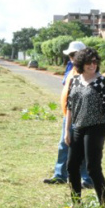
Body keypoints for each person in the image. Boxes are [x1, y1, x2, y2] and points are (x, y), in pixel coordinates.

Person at [65, 47, 105, 208]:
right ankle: (76, 203)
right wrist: (67, 131)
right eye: (89, 62)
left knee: (93, 168)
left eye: (95, 62)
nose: (92, 65)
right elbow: (70, 107)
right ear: (81, 63)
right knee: (72, 166)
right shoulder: (75, 81)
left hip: (96, 128)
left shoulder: (102, 82)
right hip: (78, 128)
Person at [44, 41, 93, 188]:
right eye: (70, 55)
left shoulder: (89, 72)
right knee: (63, 145)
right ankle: (60, 175)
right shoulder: (71, 69)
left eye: (74, 55)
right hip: (69, 115)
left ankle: (87, 179)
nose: (71, 58)